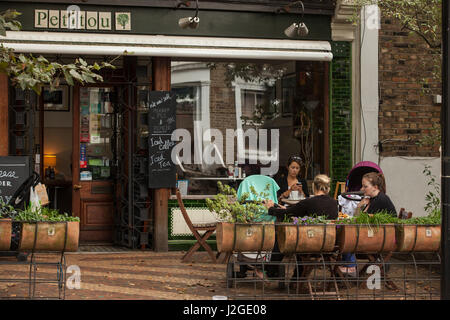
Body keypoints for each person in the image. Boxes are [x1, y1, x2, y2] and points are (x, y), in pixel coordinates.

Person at [263, 174, 338, 280]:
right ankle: (296, 278)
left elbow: (288, 213)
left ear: (314, 187)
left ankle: (271, 271)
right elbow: (295, 210)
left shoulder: (309, 202)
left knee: (281, 239)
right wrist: (284, 208)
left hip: (309, 245)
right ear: (328, 188)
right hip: (329, 245)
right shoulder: (334, 203)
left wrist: (270, 209)